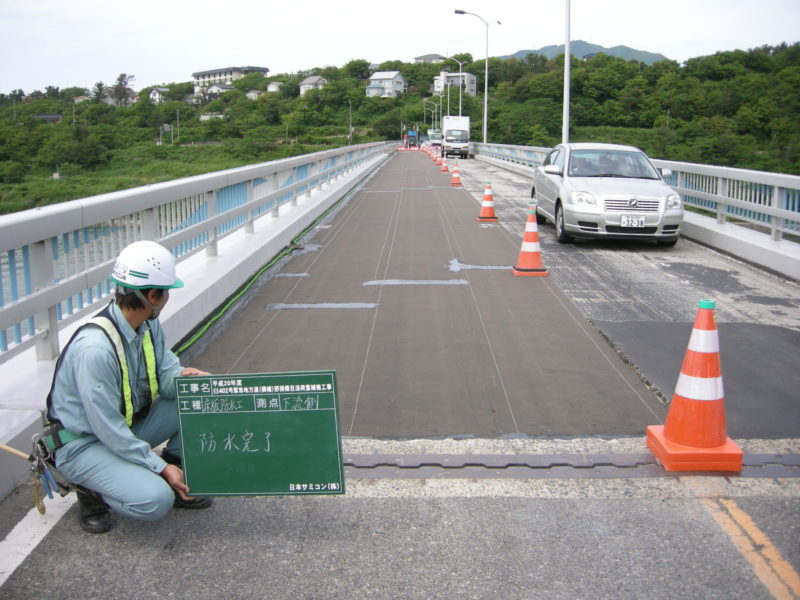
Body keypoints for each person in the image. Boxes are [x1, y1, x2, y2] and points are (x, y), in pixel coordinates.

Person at [43, 240, 212, 533]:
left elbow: (169, 376)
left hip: (124, 429)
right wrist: (157, 467)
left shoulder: (147, 324)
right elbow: (106, 427)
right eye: (167, 292)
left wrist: (189, 380)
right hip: (83, 444)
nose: (168, 297)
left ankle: (176, 477)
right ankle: (90, 488)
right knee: (154, 500)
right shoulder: (95, 350)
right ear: (153, 296)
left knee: (195, 397)